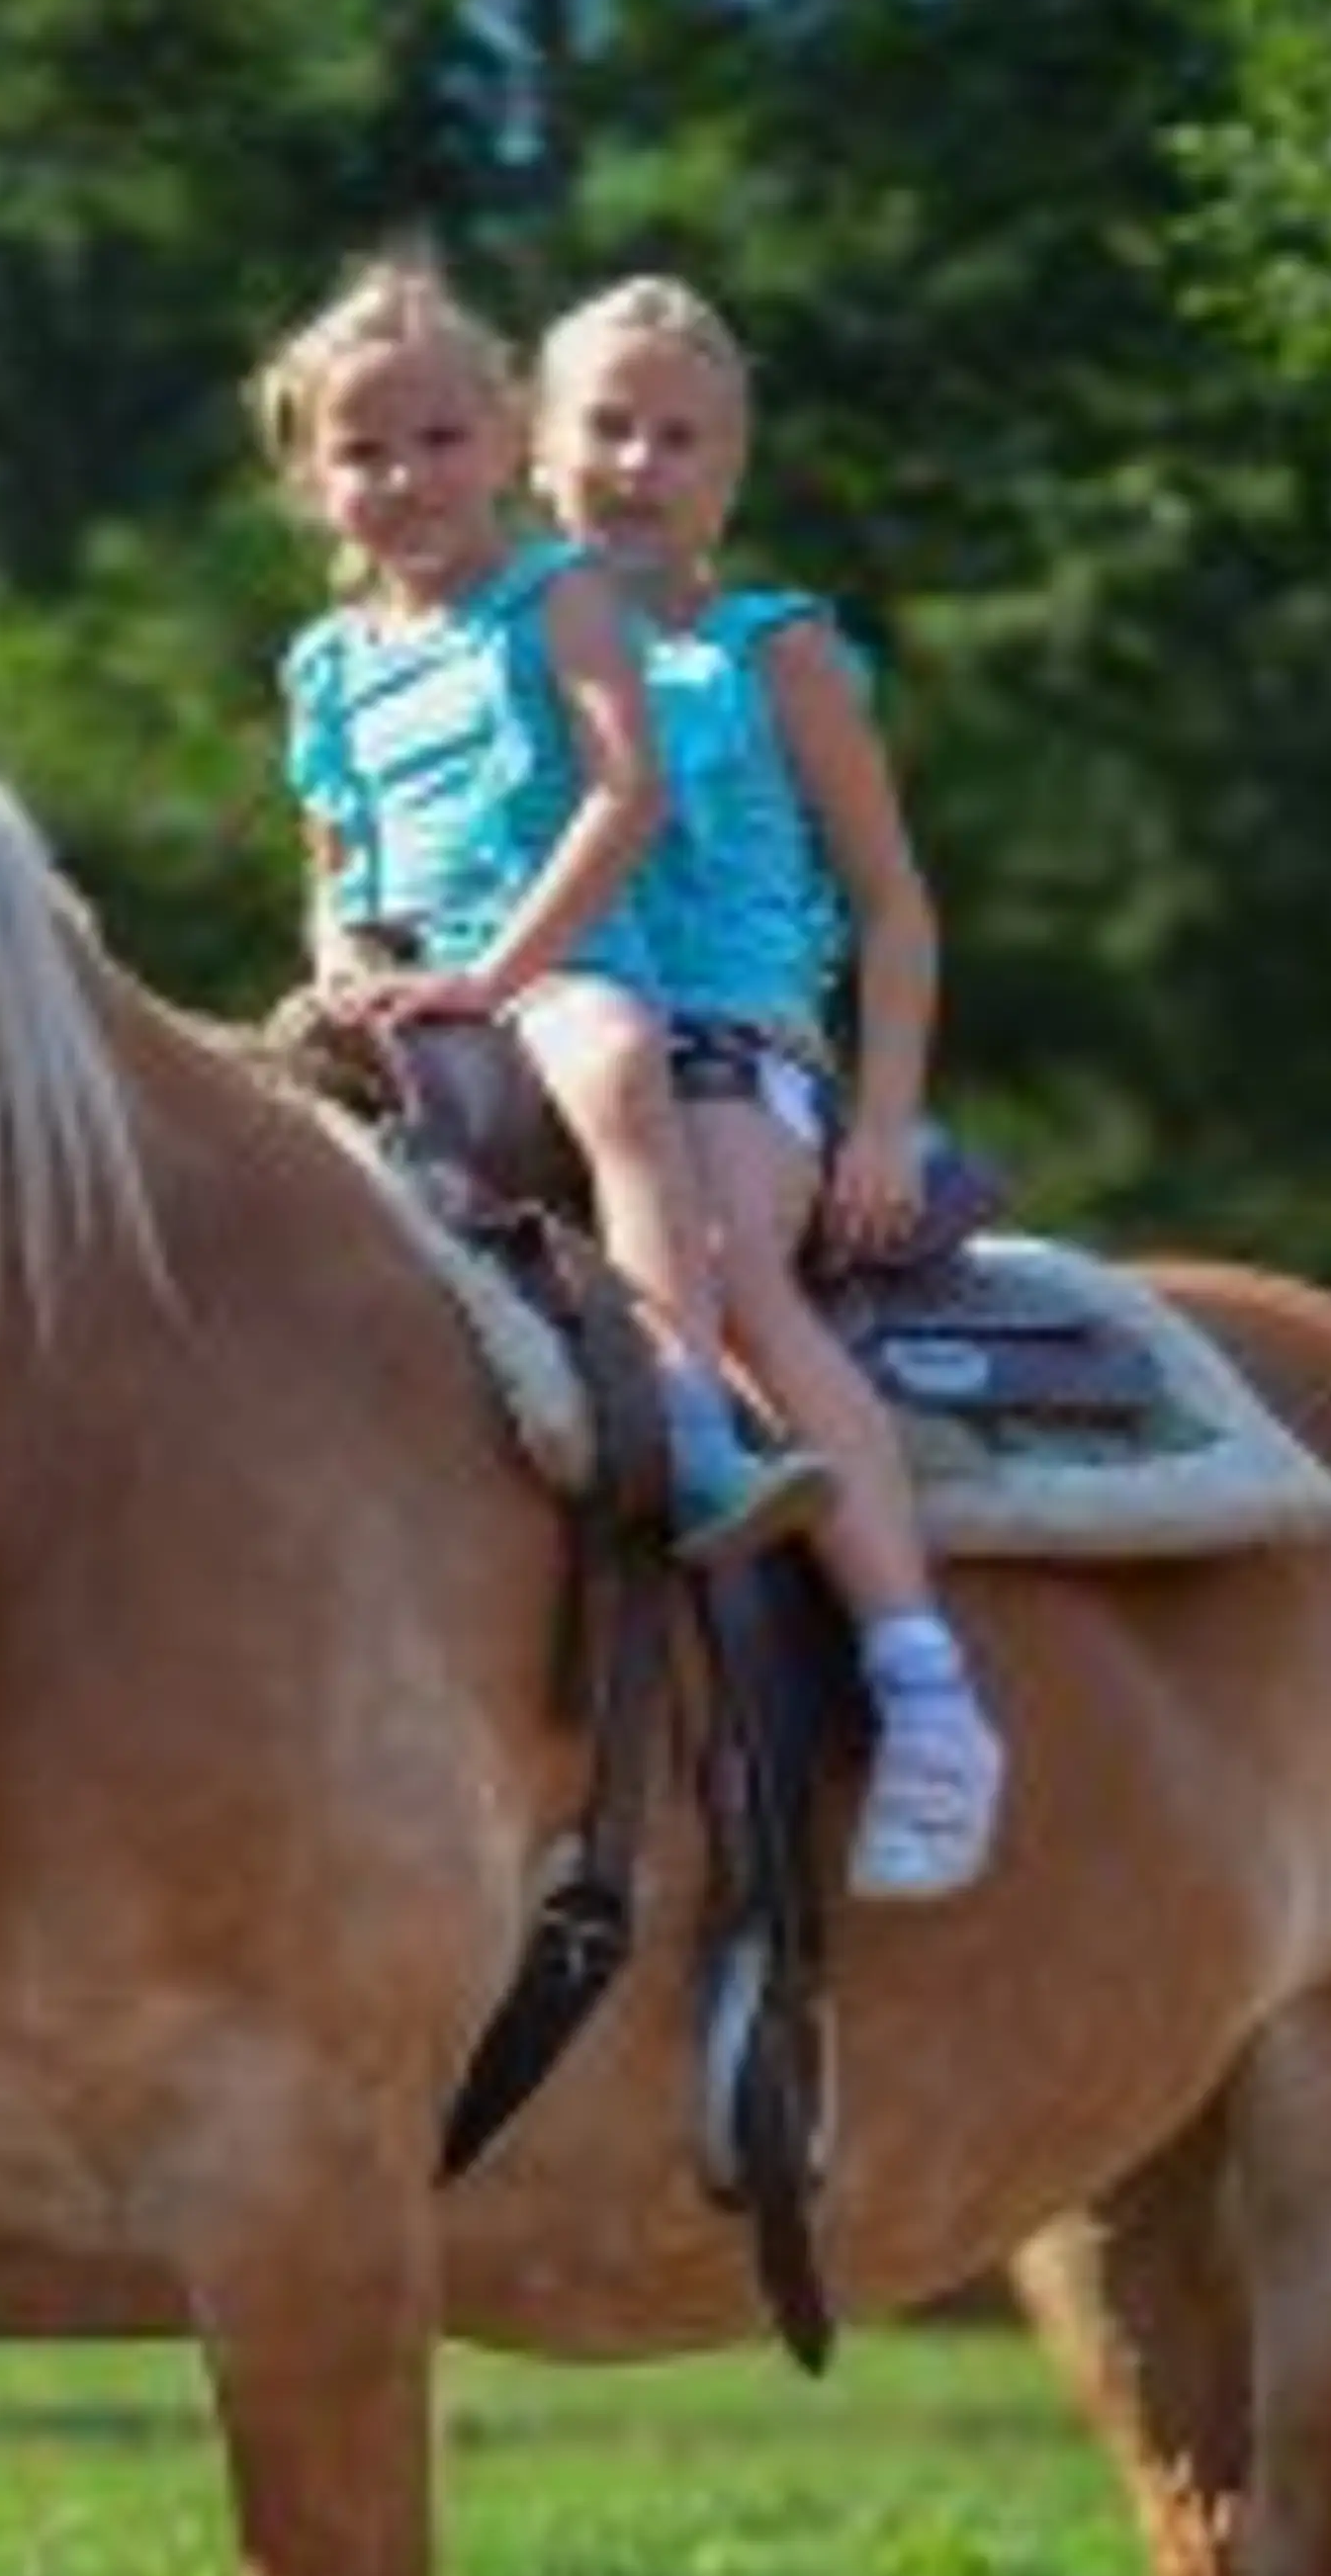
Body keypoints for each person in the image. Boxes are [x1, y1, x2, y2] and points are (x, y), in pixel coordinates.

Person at [531, 274, 1008, 1905]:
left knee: (724, 1276)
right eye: (608, 425)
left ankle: (923, 1682)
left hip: (734, 1039)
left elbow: (893, 904)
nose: (640, 463)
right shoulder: (493, 643)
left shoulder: (771, 652)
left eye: (684, 436)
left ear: (732, 472)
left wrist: (880, 1113)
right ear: (539, 449)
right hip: (558, 1023)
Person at [253, 250, 832, 1568]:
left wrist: (498, 976)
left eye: (441, 437)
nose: (405, 477)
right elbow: (331, 858)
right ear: (312, 484)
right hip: (397, 980)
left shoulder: (552, 600)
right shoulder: (325, 662)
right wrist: (341, 962)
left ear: (510, 438)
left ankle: (691, 1421)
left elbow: (624, 794)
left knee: (622, 1064)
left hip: (549, 959)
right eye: (362, 451)